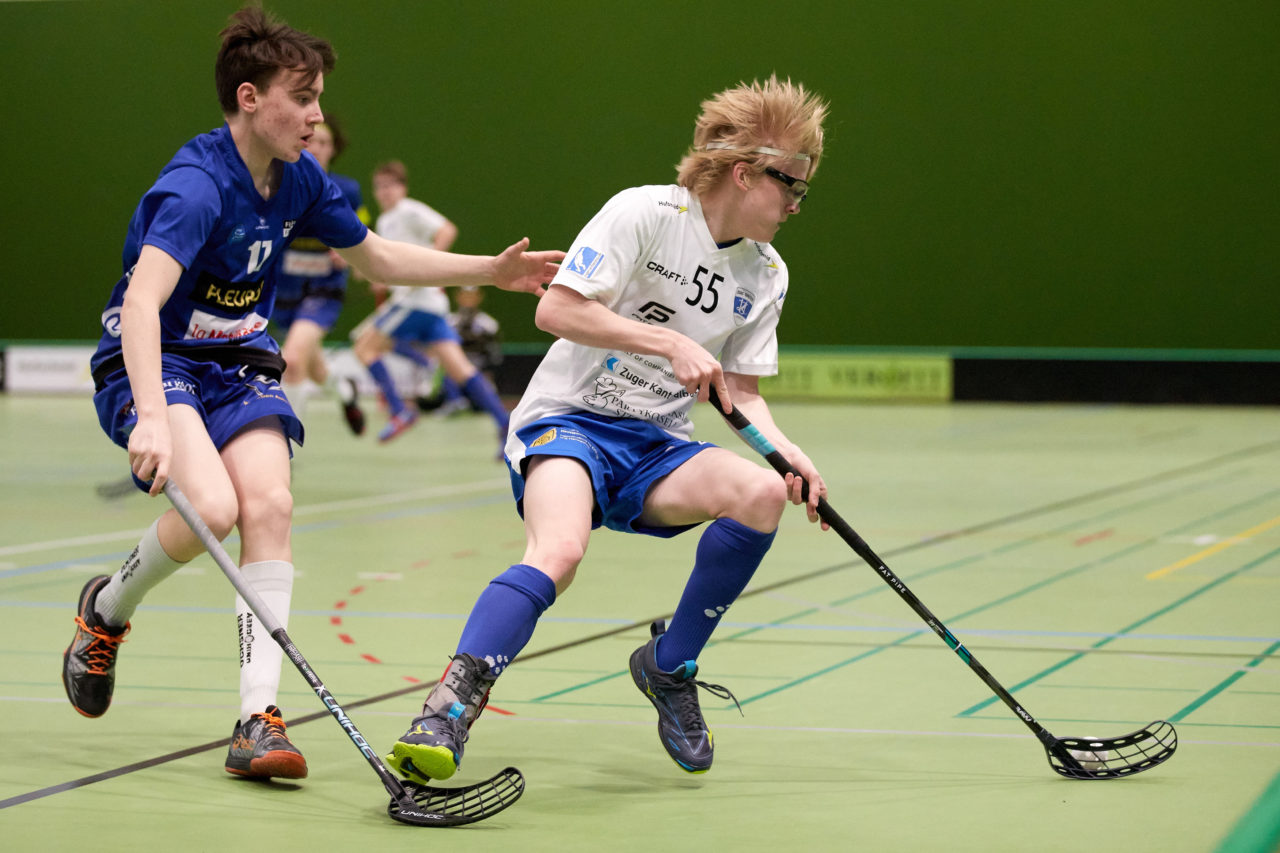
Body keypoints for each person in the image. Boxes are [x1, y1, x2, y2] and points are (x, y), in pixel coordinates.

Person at [64, 6, 561, 782]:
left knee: (270, 507)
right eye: (304, 97)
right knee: (215, 510)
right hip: (159, 360)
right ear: (252, 99)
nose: (319, 114)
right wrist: (153, 420)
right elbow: (140, 305)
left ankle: (256, 720)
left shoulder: (299, 180)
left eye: (320, 96)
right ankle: (106, 610)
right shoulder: (196, 187)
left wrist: (488, 274)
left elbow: (379, 259)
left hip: (237, 365)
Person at [384, 75, 829, 784]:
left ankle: (669, 665)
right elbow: (556, 311)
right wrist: (671, 345)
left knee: (761, 493)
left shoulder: (766, 272)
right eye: (791, 185)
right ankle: (448, 707)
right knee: (559, 549)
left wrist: (787, 453)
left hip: (656, 444)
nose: (798, 203)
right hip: (570, 421)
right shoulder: (645, 213)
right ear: (744, 173)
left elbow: (741, 391)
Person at [347, 161, 514, 446]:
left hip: (416, 301)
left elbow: (447, 230)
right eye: (379, 187)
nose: (385, 192)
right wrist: (379, 278)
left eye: (391, 185)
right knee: (460, 369)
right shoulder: (386, 222)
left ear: (403, 187)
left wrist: (429, 267)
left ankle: (401, 411)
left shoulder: (409, 210)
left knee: (365, 347)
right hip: (430, 304)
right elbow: (392, 264)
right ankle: (506, 424)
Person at [269, 113, 369, 433]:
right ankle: (345, 389)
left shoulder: (347, 191)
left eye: (325, 142)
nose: (318, 147)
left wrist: (350, 255)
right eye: (313, 140)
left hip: (323, 289)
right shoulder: (278, 183)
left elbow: (364, 234)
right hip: (283, 289)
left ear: (333, 149)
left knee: (293, 361)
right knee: (315, 370)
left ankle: (284, 447)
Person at [415, 286, 504, 415]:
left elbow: (494, 357)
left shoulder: (488, 324)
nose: (468, 299)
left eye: (472, 295)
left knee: (482, 402)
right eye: (465, 294)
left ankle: (468, 400)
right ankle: (455, 400)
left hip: (476, 375)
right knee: (425, 401)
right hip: (451, 379)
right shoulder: (449, 322)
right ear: (458, 296)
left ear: (479, 297)